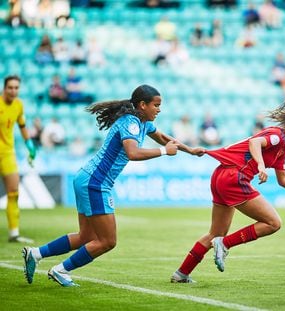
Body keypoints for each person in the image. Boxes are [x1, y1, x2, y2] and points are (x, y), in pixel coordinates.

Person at [22, 84, 205, 287]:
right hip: (96, 182)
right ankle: (60, 270)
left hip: (87, 177)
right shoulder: (131, 123)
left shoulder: (143, 122)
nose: (159, 109)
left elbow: (162, 138)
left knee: (86, 236)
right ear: (143, 105)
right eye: (156, 105)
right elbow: (133, 153)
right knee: (107, 241)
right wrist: (164, 152)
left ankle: (35, 254)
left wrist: (189, 150)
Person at [170, 98, 285, 283]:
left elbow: (284, 180)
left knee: (215, 233)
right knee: (273, 223)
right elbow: (255, 143)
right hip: (234, 177)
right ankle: (224, 244)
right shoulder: (277, 135)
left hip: (221, 176)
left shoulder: (282, 149)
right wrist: (261, 165)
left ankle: (181, 274)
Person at [0, 75, 36, 243]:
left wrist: (30, 146)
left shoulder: (18, 105)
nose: (13, 91)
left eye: (16, 88)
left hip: (7, 153)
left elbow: (22, 127)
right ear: (4, 88)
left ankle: (14, 232)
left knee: (14, 192)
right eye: (10, 87)